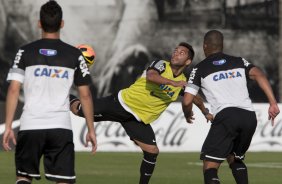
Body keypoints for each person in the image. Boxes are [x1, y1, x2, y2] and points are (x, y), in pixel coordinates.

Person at [70, 42, 213, 184]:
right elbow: (151, 76)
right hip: (121, 104)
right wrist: (173, 83)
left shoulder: (183, 82)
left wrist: (205, 112)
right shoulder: (161, 65)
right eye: (175, 50)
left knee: (152, 151)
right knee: (79, 110)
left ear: (188, 61)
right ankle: (67, 97)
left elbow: (196, 98)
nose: (176, 53)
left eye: (181, 52)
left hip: (137, 120)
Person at [2, 1, 97, 184]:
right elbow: (85, 95)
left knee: (23, 177)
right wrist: (91, 129)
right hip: (60, 127)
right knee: (63, 180)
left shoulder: (24, 51)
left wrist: (8, 127)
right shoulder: (74, 55)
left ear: (39, 23)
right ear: (62, 23)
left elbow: (14, 89)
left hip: (30, 125)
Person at [182, 30, 280, 184]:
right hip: (249, 117)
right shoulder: (240, 61)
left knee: (210, 166)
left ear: (204, 46)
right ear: (222, 45)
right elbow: (259, 74)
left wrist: (187, 114)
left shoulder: (199, 68)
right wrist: (273, 103)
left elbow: (187, 100)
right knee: (235, 158)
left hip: (227, 116)